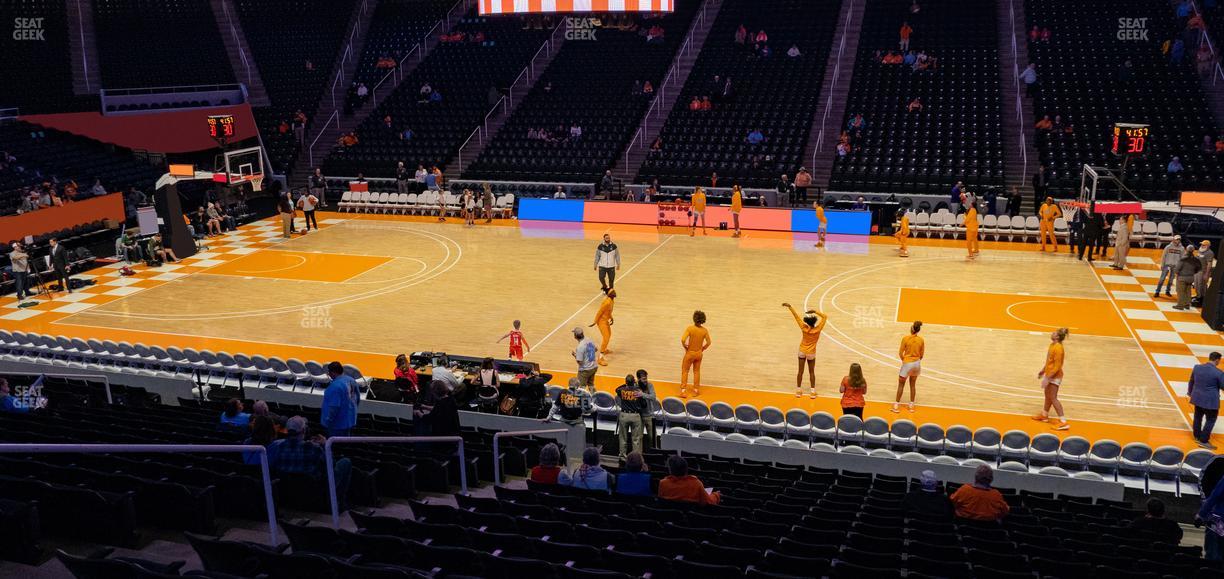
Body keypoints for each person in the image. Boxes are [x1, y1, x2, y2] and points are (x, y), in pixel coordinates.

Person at [266, 416, 352, 508]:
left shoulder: (278, 447)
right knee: (345, 462)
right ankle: (339, 503)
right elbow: (331, 466)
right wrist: (326, 446)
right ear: (303, 431)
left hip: (289, 492)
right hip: (314, 492)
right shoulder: (313, 448)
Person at [783, 302, 826, 398]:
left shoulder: (803, 327)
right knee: (811, 372)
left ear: (807, 322)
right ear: (814, 322)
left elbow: (796, 317)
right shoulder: (818, 329)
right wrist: (815, 311)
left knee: (800, 371)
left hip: (802, 351)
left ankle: (798, 391)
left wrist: (790, 307)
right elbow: (825, 317)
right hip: (811, 353)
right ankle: (812, 392)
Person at [1032, 328, 1070, 430]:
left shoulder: (1058, 349)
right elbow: (1049, 361)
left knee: (1053, 398)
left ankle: (1063, 422)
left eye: (1054, 333)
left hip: (1055, 376)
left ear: (1057, 337)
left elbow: (1057, 367)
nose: (1051, 334)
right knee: (1047, 396)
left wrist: (1047, 379)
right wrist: (1043, 370)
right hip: (1049, 374)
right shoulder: (1052, 345)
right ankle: (1044, 415)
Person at [1189, 352, 1224, 448]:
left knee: (1197, 417)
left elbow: (1191, 381)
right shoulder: (1219, 373)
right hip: (1211, 402)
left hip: (1197, 398)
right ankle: (1204, 440)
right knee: (1211, 419)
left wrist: (1190, 392)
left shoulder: (1197, 367)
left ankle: (1197, 436)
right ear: (1217, 360)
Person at [321, 361, 359, 437]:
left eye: (329, 372)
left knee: (335, 445)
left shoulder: (334, 387)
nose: (328, 374)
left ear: (333, 372)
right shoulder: (351, 380)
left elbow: (334, 407)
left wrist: (328, 421)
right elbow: (357, 398)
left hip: (337, 425)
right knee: (345, 444)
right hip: (350, 421)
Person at [893, 321, 924, 413]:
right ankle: (911, 405)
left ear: (911, 329)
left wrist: (905, 361)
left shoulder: (905, 338)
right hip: (917, 364)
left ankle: (896, 405)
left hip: (907, 363)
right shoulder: (921, 340)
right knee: (913, 385)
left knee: (901, 385)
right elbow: (921, 355)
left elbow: (900, 353)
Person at [680, 310, 711, 398]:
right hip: (699, 354)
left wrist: (685, 346)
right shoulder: (704, 330)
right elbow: (709, 342)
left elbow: (682, 339)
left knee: (685, 371)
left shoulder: (690, 328)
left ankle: (683, 391)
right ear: (703, 320)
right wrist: (702, 349)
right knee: (696, 371)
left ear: (694, 318)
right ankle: (696, 390)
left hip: (690, 353)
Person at [616, 374, 646, 460]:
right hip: (635, 416)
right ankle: (636, 458)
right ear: (634, 382)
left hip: (624, 415)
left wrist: (626, 384)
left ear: (626, 382)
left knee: (623, 438)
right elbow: (644, 405)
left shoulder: (621, 390)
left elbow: (616, 389)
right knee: (636, 439)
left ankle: (622, 456)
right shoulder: (638, 391)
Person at [591, 289, 616, 365]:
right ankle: (600, 358)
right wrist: (595, 321)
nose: (614, 292)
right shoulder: (606, 302)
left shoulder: (612, 301)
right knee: (606, 338)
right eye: (612, 292)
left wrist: (611, 317)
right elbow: (599, 312)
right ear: (609, 294)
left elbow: (608, 311)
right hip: (601, 321)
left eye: (614, 291)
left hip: (605, 320)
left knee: (609, 335)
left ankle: (604, 350)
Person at [572, 328, 598, 392]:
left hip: (585, 370)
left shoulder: (580, 347)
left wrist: (575, 355)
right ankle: (595, 397)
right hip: (594, 367)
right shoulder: (589, 340)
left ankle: (581, 401)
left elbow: (580, 362)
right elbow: (596, 349)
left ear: (575, 336)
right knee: (591, 385)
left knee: (581, 388)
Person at [1198, 240, 1215, 305]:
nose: (1202, 246)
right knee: (1197, 285)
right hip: (1198, 270)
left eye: (1203, 245)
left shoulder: (1210, 253)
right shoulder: (1200, 250)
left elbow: (1209, 264)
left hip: (1203, 271)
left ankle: (1203, 298)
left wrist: (1206, 274)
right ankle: (1199, 296)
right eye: (1201, 244)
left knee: (1202, 285)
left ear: (1208, 246)